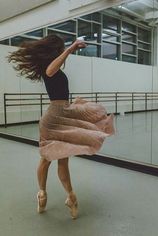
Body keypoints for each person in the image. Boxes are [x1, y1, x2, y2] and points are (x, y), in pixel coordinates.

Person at [8, 35, 115, 219]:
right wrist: (71, 48)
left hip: (63, 113)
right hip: (52, 118)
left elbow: (55, 68)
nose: (63, 51)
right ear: (56, 50)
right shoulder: (48, 68)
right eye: (61, 49)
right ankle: (43, 193)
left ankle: (70, 196)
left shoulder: (54, 65)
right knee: (46, 158)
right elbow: (51, 70)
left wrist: (71, 49)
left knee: (62, 159)